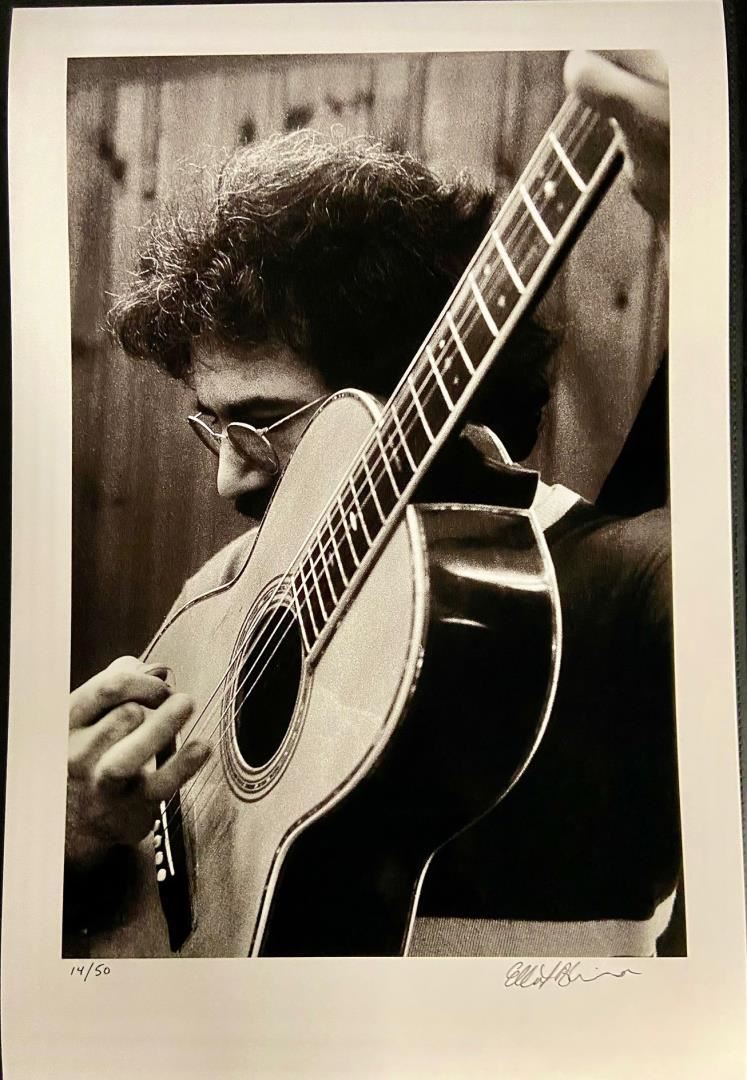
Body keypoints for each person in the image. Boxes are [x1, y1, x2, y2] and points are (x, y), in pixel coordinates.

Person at [65, 51, 680, 956]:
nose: (229, 481)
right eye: (213, 428)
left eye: (263, 423)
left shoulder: (633, 582)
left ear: (412, 396)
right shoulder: (222, 597)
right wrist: (74, 844)